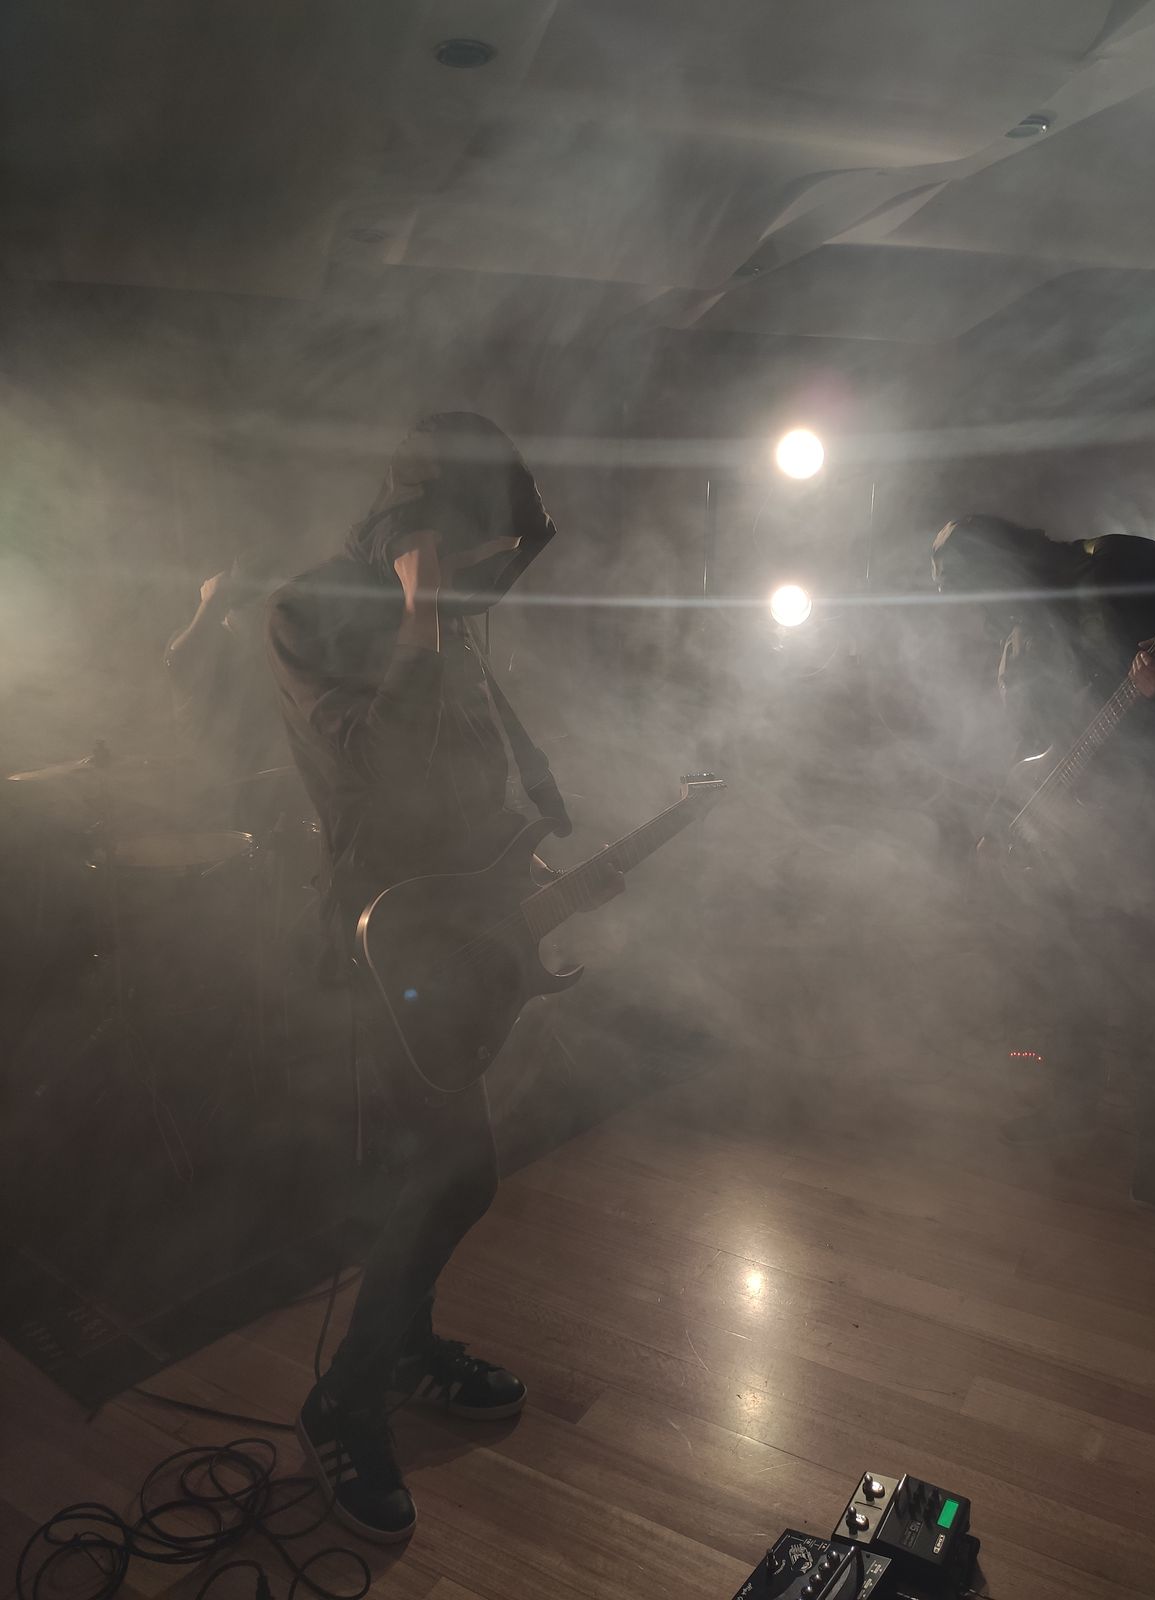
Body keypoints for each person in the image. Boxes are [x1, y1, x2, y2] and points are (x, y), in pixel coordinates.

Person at [267, 412, 617, 1542]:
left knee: (442, 1172)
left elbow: (466, 786)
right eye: (467, 549)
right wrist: (418, 623)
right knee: (453, 1178)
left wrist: (526, 857)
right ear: (416, 528)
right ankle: (342, 1400)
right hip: (380, 942)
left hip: (462, 934)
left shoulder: (455, 626)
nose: (480, 576)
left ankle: (408, 1351)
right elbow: (373, 769)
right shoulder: (307, 611)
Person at [932, 514, 1155, 1211]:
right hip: (1066, 829)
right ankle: (1071, 1107)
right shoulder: (1019, 641)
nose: (964, 607)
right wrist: (1000, 822)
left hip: (1147, 814)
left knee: (1141, 980)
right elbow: (1023, 750)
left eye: (961, 585)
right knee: (1066, 976)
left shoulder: (1118, 563)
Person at [165, 553, 289, 833]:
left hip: (266, 795)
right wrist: (210, 604)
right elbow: (177, 660)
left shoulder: (273, 649)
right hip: (208, 802)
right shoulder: (205, 643)